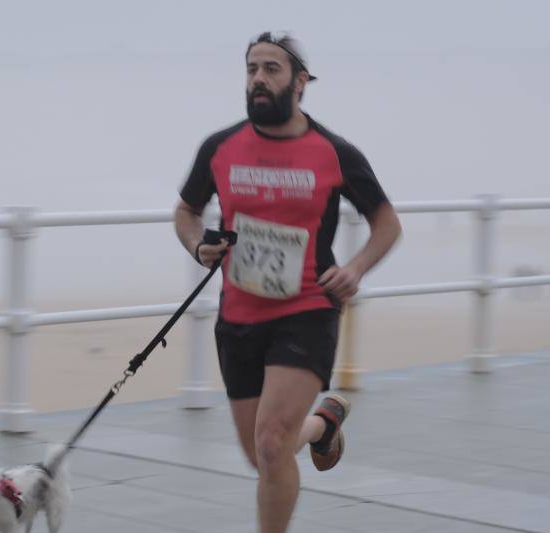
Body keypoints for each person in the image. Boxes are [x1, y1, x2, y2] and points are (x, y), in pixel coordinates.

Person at [173, 32, 402, 532]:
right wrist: (197, 245)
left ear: (300, 82)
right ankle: (323, 425)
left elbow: (387, 223)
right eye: (252, 68)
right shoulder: (220, 148)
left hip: (307, 307)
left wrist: (356, 267)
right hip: (238, 315)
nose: (258, 78)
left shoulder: (334, 152)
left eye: (271, 69)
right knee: (263, 454)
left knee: (274, 441)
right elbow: (187, 211)